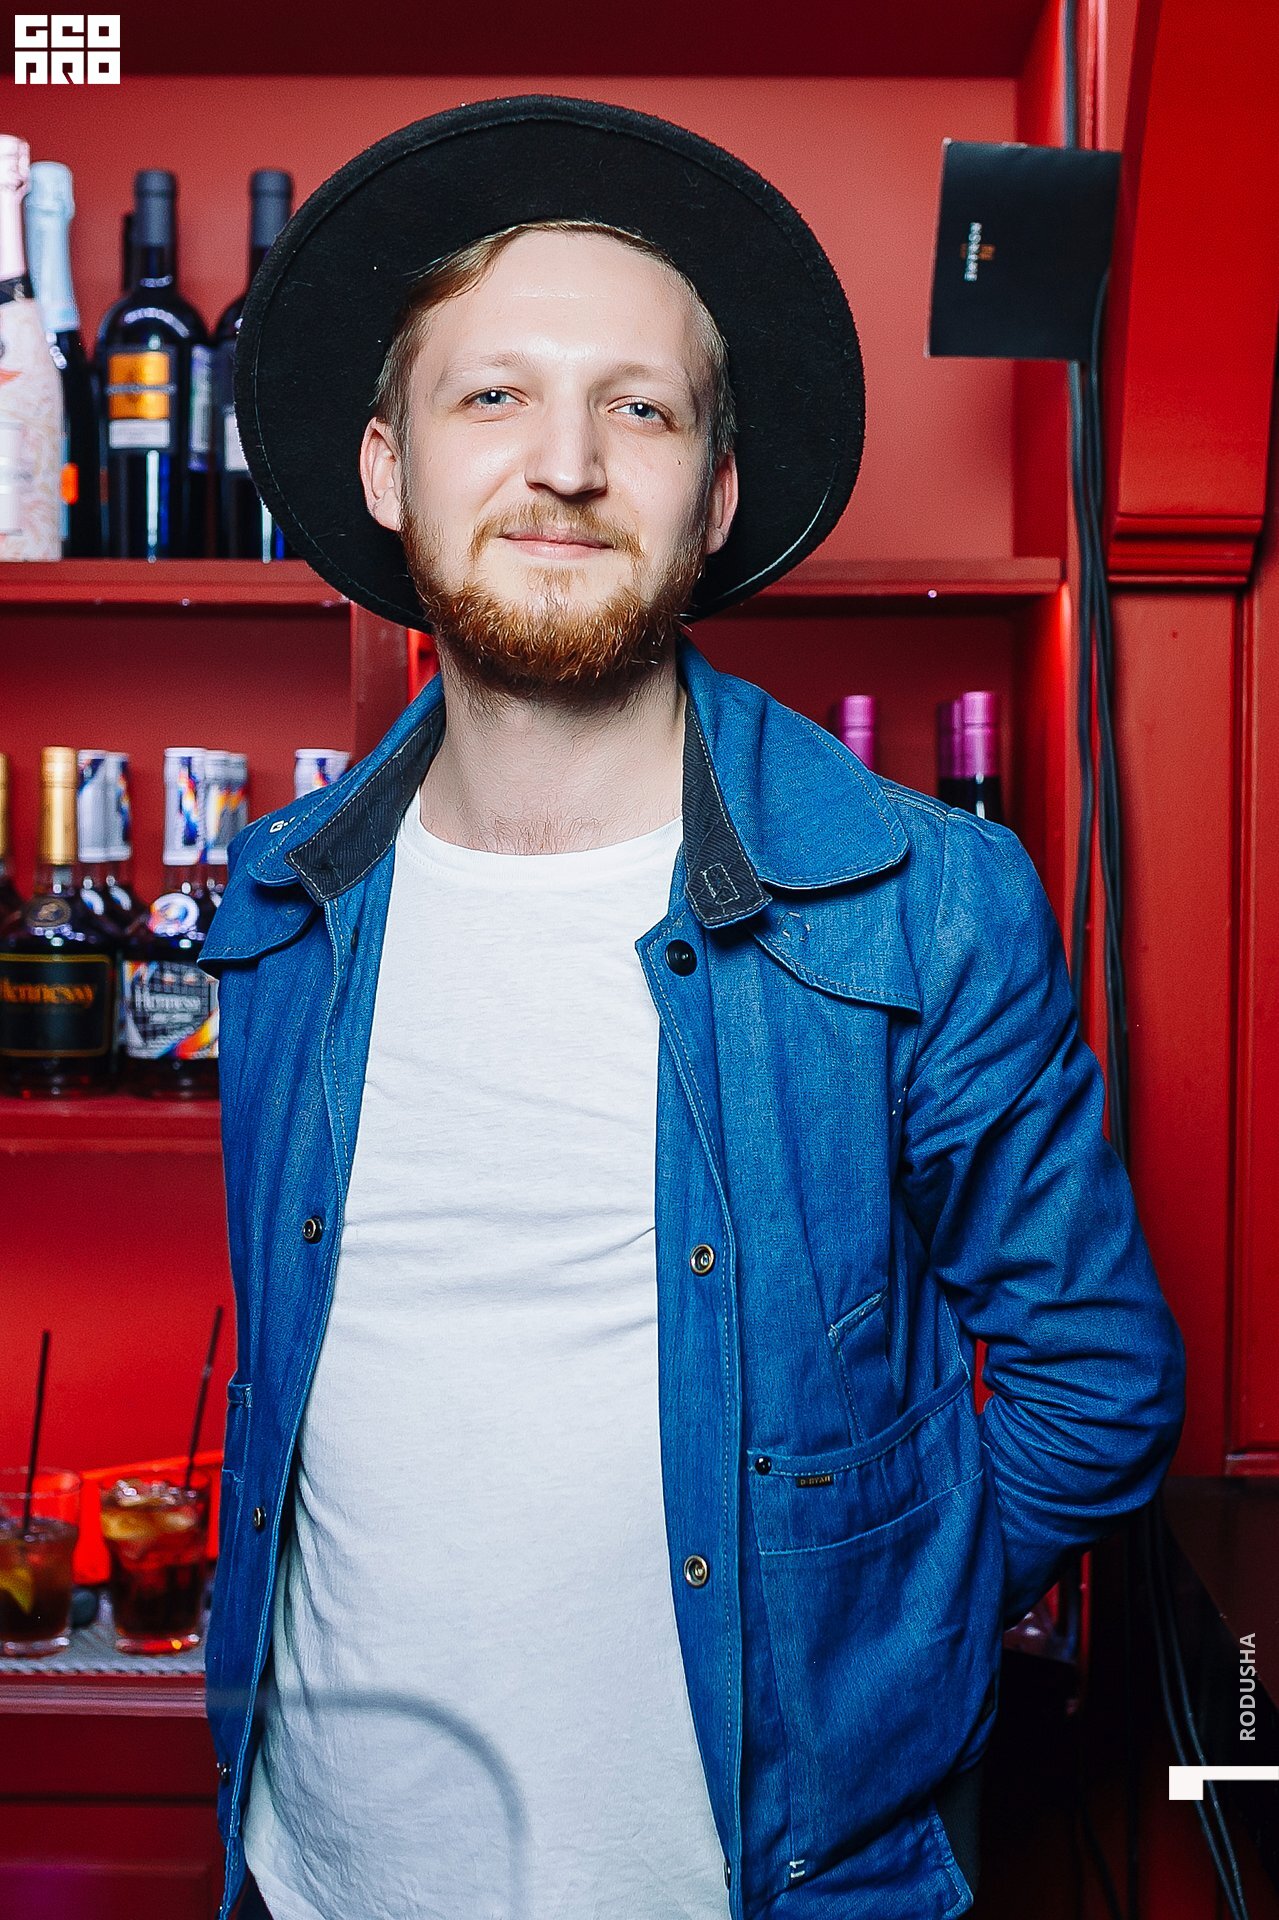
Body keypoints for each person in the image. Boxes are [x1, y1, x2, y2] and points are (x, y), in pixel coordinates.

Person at [199, 96, 1186, 1920]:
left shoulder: (923, 904)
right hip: (308, 1877)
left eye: (640, 410)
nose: (566, 465)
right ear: (387, 468)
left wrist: (875, 1635)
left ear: (714, 495)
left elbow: (1097, 1385)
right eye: (494, 396)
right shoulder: (278, 906)